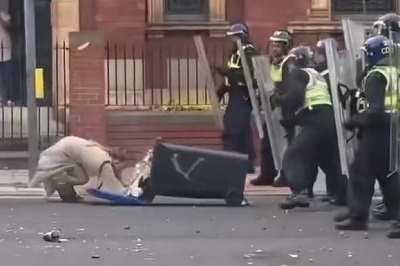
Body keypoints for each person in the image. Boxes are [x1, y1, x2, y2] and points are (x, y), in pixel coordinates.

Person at [333, 35, 400, 238]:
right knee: (389, 175)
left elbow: (375, 108)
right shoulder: (394, 72)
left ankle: (358, 217)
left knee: (361, 173)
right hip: (393, 128)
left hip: (376, 131)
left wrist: (355, 121)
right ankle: (394, 213)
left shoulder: (376, 75)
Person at [274, 45, 341, 210]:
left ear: (295, 62)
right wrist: (294, 121)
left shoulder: (298, 73)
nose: (289, 67)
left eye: (290, 63)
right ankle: (343, 193)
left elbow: (296, 98)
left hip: (315, 118)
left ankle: (299, 192)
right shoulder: (316, 74)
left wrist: (279, 100)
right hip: (327, 118)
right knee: (325, 158)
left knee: (293, 155)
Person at [29, 136, 131, 202]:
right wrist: (126, 192)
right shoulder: (103, 160)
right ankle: (60, 180)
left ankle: (64, 184)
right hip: (62, 152)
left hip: (67, 147)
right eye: (121, 165)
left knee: (82, 176)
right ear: (117, 160)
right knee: (82, 179)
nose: (121, 169)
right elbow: (112, 183)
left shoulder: (101, 153)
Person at [250, 30, 293, 187]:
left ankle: (285, 175)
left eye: (278, 45)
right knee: (267, 143)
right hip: (271, 108)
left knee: (284, 145)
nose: (274, 48)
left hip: (284, 109)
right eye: (273, 45)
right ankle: (267, 174)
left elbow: (288, 87)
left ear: (286, 46)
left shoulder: (288, 63)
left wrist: (278, 96)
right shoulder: (270, 63)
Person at [309, 38, 348, 206]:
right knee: (328, 158)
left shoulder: (328, 75)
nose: (315, 57)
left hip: (332, 122)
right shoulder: (333, 72)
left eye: (317, 54)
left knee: (334, 159)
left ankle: (340, 192)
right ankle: (333, 190)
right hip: (331, 122)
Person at [214, 23, 258, 174]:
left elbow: (249, 75)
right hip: (235, 93)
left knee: (233, 128)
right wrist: (222, 90)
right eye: (232, 37)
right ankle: (244, 163)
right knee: (242, 130)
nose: (233, 40)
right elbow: (233, 75)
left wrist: (227, 73)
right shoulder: (236, 53)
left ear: (244, 36)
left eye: (236, 37)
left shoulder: (249, 52)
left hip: (244, 95)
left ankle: (233, 162)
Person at [0, 9, 11, 106]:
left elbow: (9, 26)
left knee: (6, 77)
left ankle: (5, 98)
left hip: (5, 52)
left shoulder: (2, 14)